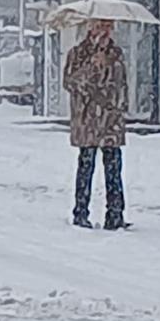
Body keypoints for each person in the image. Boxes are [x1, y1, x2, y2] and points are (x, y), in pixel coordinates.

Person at [62, 19, 129, 230]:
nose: (105, 31)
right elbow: (71, 83)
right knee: (86, 165)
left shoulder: (116, 53)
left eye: (109, 26)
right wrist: (93, 66)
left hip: (110, 120)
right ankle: (80, 212)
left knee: (113, 167)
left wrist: (119, 107)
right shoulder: (78, 53)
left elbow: (120, 84)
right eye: (100, 26)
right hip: (88, 119)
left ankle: (115, 215)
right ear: (90, 27)